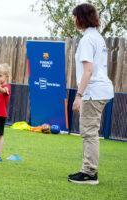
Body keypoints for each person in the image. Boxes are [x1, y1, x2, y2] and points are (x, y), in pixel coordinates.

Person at [68, 3, 114, 185]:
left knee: (89, 132)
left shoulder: (88, 39)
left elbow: (88, 70)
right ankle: (88, 170)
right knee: (90, 131)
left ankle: (89, 173)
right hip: (100, 89)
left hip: (93, 91)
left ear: (80, 18)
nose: (73, 20)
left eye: (74, 17)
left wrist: (79, 96)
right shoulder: (97, 37)